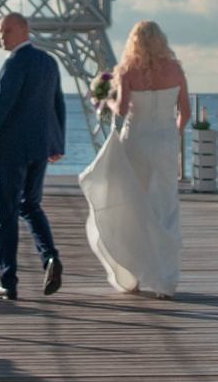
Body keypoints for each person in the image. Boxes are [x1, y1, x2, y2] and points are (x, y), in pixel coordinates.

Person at [78, 20, 188, 299]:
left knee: (132, 204)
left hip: (136, 141)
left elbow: (122, 109)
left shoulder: (128, 71)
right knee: (165, 206)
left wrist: (107, 99)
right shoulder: (175, 69)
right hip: (164, 141)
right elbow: (184, 112)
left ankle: (132, 273)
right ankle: (165, 280)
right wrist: (171, 135)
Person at [0, 12, 66, 301]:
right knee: (31, 205)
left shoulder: (14, 64)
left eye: (7, 30)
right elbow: (57, 105)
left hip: (10, 151)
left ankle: (8, 282)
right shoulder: (48, 62)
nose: (1, 36)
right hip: (38, 149)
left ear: (24, 30)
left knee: (6, 214)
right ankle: (50, 258)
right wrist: (57, 145)